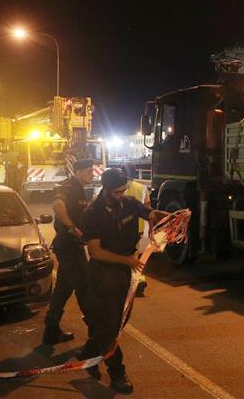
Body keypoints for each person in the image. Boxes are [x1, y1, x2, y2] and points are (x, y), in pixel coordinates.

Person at [78, 168, 168, 394]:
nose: (121, 195)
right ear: (105, 189)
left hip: (126, 271)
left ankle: (89, 352)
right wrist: (126, 260)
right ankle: (117, 372)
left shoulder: (128, 203)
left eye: (123, 190)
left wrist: (172, 217)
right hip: (104, 273)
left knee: (121, 319)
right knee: (111, 325)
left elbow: (150, 213)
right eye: (117, 192)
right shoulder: (92, 213)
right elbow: (95, 252)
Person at [42, 158, 95, 345]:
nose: (92, 174)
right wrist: (72, 227)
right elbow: (57, 205)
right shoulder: (71, 187)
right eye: (89, 171)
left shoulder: (79, 188)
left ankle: (51, 330)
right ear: (78, 172)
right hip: (70, 247)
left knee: (63, 289)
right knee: (85, 287)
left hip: (69, 247)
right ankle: (95, 332)